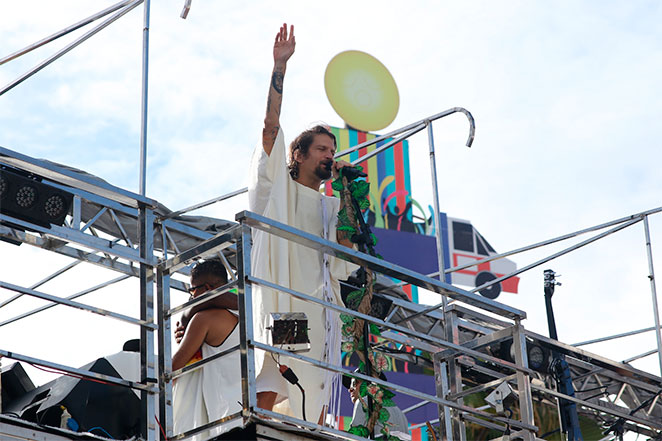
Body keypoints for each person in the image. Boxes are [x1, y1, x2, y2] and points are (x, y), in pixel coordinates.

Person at [247, 23, 356, 424]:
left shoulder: (331, 208)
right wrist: (280, 68)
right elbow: (270, 129)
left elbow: (345, 259)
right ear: (300, 153)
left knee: (317, 396)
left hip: (322, 312)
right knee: (274, 379)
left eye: (334, 150)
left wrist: (349, 195)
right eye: (323, 149)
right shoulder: (277, 188)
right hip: (283, 302)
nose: (330, 155)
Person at [171, 260, 242, 439]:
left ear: (208, 287)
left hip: (222, 417)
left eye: (193, 290)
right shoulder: (247, 314)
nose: (191, 297)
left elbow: (174, 367)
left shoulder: (204, 319)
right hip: (246, 409)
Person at [348, 376, 410, 441]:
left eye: (355, 384)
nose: (350, 389)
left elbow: (354, 437)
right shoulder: (398, 410)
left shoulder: (363, 401)